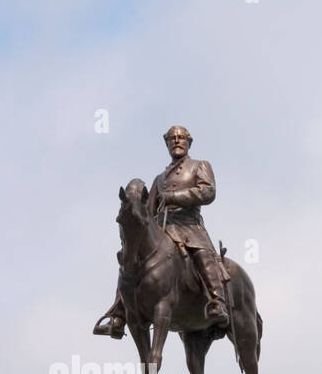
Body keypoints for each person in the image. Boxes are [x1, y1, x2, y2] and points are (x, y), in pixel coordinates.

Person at [93, 125, 229, 338]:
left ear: (189, 143)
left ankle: (217, 301)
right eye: (172, 139)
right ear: (166, 144)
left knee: (201, 255)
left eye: (181, 138)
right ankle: (118, 314)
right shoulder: (159, 179)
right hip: (162, 228)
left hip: (189, 226)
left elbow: (208, 191)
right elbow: (148, 211)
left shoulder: (199, 166)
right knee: (131, 261)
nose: (176, 141)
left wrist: (174, 197)